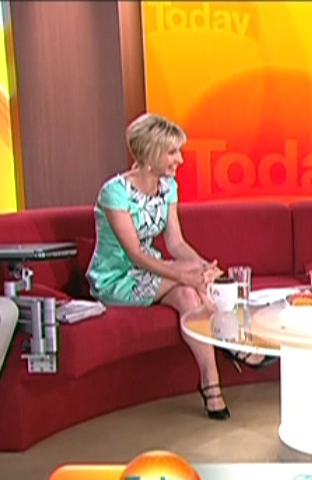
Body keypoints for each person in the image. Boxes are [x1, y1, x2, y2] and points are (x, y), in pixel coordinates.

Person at [86, 113, 272, 421]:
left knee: (188, 294)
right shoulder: (114, 192)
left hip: (151, 270)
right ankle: (233, 341)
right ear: (151, 152)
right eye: (172, 152)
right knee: (188, 284)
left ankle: (211, 384)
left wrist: (206, 268)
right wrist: (187, 274)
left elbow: (176, 243)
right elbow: (134, 254)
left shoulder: (168, 186)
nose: (180, 159)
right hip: (116, 279)